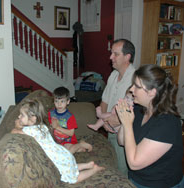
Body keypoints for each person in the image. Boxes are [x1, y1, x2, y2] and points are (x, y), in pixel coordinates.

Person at [116, 64, 184, 188]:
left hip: (159, 184)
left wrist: (127, 123)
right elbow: (121, 141)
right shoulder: (139, 109)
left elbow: (134, 163)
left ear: (152, 92)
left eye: (137, 86)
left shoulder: (167, 124)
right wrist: (124, 117)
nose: (131, 89)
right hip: (136, 179)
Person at [11, 99, 104, 184]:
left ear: (33, 118)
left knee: (73, 179)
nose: (19, 116)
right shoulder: (42, 126)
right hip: (62, 154)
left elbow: (14, 132)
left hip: (59, 159)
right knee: (70, 166)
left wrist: (17, 125)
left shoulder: (31, 130)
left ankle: (93, 170)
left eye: (22, 115)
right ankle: (87, 165)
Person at [98, 39, 136, 176]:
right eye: (111, 53)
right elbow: (104, 101)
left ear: (127, 57)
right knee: (113, 166)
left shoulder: (135, 79)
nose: (110, 57)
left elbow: (134, 110)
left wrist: (112, 122)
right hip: (109, 130)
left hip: (124, 132)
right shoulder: (113, 75)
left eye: (115, 54)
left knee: (123, 171)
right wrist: (105, 121)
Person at [48, 86, 93, 154]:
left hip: (68, 141)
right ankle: (80, 145)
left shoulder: (69, 117)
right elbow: (50, 126)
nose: (59, 104)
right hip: (57, 141)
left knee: (67, 152)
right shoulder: (51, 113)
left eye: (62, 101)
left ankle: (79, 145)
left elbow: (71, 133)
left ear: (68, 102)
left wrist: (57, 127)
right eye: (56, 101)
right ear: (53, 101)